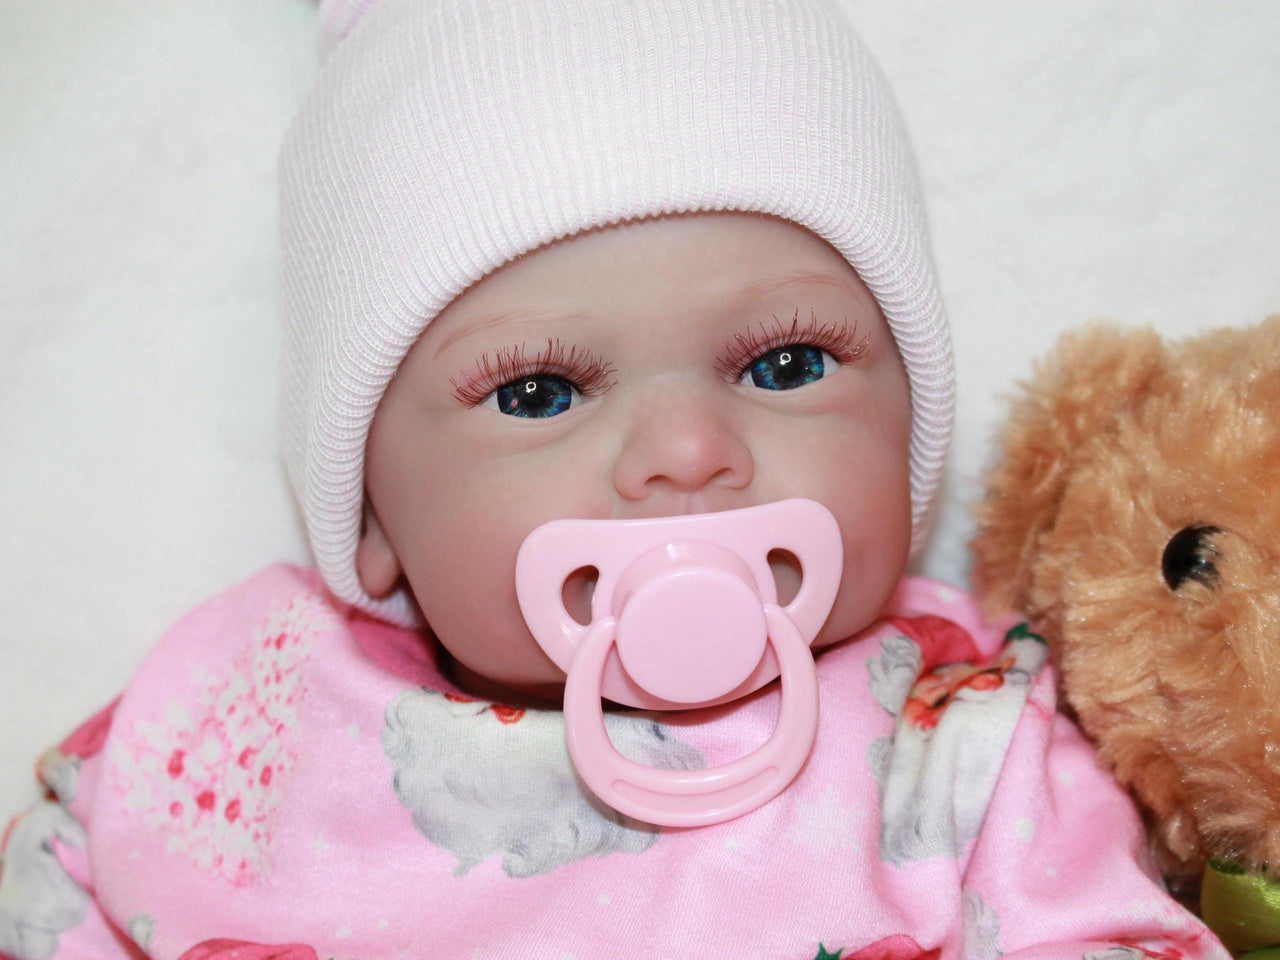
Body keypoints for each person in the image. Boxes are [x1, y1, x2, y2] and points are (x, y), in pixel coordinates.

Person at [0, 0, 1228, 958]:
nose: (687, 450)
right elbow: (56, 894)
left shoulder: (959, 740)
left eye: (785, 363)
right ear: (370, 514)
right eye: (538, 393)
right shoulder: (247, 720)